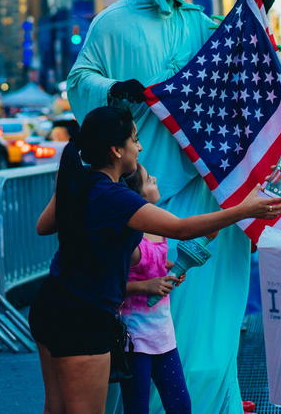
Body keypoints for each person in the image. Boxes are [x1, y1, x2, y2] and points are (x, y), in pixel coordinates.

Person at [66, 0, 277, 412]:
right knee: (151, 319)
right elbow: (78, 82)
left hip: (207, 184)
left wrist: (257, 14)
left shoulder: (199, 23)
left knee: (214, 319)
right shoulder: (111, 25)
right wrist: (114, 89)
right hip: (145, 195)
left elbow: (242, 60)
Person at [29, 106, 281, 414]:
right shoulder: (117, 198)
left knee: (55, 409)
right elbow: (179, 228)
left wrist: (71, 188)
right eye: (134, 140)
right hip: (84, 316)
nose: (139, 148)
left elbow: (43, 226)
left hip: (50, 305)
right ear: (115, 150)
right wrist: (245, 210)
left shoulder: (79, 183)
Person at [118, 164, 192, 414]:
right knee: (137, 408)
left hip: (163, 334)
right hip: (134, 338)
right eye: (149, 180)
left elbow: (154, 264)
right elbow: (107, 283)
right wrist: (145, 286)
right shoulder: (130, 239)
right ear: (137, 197)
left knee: (181, 405)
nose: (156, 179)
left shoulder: (158, 229)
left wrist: (168, 271)